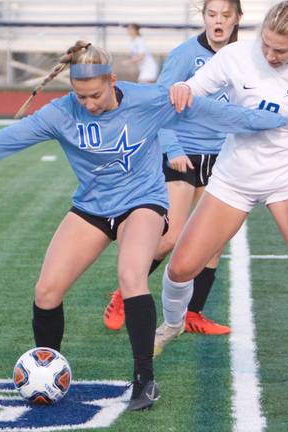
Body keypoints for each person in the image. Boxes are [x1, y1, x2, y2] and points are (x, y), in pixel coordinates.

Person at [0, 41, 286, 411]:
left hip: (143, 202)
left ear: (113, 80)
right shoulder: (61, 113)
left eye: (95, 95)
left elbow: (210, 112)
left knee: (132, 275)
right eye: (80, 96)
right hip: (93, 207)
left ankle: (144, 380)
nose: (88, 104)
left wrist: (274, 120)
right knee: (46, 291)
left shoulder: (148, 100)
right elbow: (11, 139)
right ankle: (47, 367)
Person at [156, 0, 288, 395]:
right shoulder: (237, 55)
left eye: (280, 51)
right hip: (233, 179)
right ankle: (170, 324)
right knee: (181, 268)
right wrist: (183, 88)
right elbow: (195, 88)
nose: (270, 55)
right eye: (266, 45)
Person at [103, 0, 243, 337]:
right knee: (172, 236)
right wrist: (174, 149)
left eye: (226, 15)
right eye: (212, 15)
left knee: (213, 242)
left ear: (238, 18)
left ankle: (194, 313)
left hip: (222, 158)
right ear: (203, 17)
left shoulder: (245, 57)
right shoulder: (184, 55)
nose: (218, 21)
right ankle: (123, 292)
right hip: (184, 155)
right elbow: (159, 103)